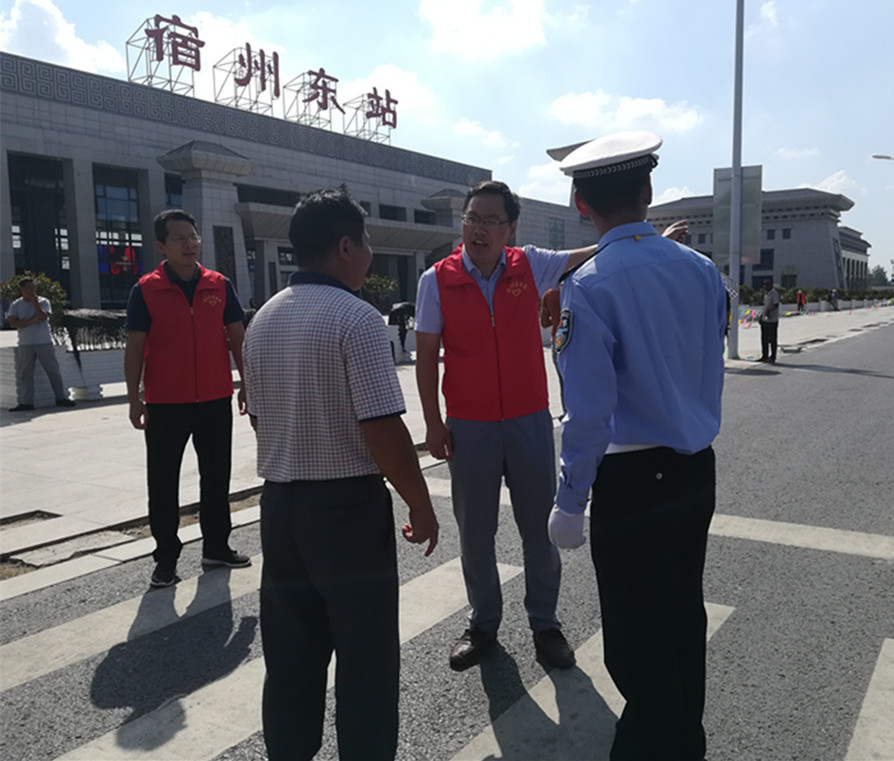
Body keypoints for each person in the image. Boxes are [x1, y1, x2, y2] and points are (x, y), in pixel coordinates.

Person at [546, 131, 726, 761]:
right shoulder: (702, 271)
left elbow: (589, 411)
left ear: (580, 204)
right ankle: (685, 741)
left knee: (633, 636)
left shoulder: (589, 285)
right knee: (681, 615)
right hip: (694, 469)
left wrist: (570, 500)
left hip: (630, 481)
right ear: (648, 191)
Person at [243, 188, 438, 761]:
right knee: (366, 658)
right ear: (346, 246)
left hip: (280, 507)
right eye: (368, 240)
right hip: (347, 511)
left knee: (291, 659)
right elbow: (382, 430)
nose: (371, 252)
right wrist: (420, 503)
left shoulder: (262, 320)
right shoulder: (358, 318)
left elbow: (259, 417)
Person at [415, 180, 611, 673]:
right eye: (471, 218)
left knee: (539, 529)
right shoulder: (436, 280)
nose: (478, 229)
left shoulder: (531, 264)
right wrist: (434, 423)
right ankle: (482, 624)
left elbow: (591, 253)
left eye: (490, 220)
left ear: (510, 228)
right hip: (469, 426)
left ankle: (545, 625)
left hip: (528, 421)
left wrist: (643, 240)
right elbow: (427, 357)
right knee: (475, 533)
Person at [124, 209, 250, 588]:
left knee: (216, 477)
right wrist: (134, 398)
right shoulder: (146, 290)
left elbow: (237, 337)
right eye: (179, 238)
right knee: (163, 483)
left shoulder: (219, 284)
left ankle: (216, 547)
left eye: (193, 236)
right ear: (161, 246)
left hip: (214, 398)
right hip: (166, 403)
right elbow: (135, 347)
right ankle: (166, 558)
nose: (189, 244)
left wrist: (248, 382)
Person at [6, 276, 76, 411]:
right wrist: (32, 321)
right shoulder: (16, 305)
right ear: (22, 290)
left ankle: (61, 398)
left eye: (33, 288)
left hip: (43, 342)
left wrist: (35, 302)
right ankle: (27, 402)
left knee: (53, 371)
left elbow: (43, 317)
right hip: (25, 343)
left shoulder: (44, 301)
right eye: (28, 288)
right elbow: (13, 323)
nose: (31, 291)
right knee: (25, 373)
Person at [759, 277, 780, 363]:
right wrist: (762, 316)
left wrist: (769, 311)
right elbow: (765, 306)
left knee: (772, 339)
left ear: (771, 285)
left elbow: (776, 304)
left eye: (767, 284)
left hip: (772, 320)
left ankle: (773, 356)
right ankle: (764, 356)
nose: (765, 286)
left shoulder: (774, 293)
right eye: (764, 284)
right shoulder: (766, 294)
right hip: (765, 320)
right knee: (764, 339)